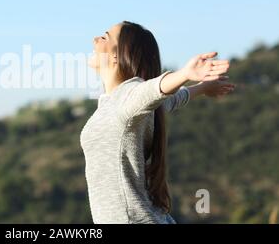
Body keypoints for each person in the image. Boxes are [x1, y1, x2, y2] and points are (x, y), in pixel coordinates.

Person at [80, 20, 234, 223]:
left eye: (104, 36)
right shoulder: (118, 103)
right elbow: (168, 100)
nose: (95, 39)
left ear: (118, 54)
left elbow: (154, 90)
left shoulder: (129, 95)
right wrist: (202, 88)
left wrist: (185, 74)